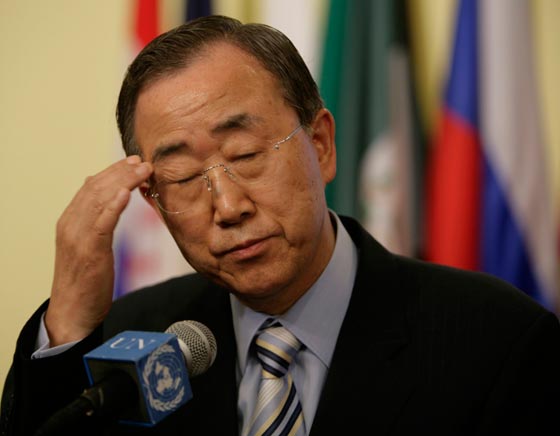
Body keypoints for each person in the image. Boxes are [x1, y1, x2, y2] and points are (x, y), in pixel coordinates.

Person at [1, 15, 559, 436]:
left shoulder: (497, 341)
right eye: (184, 176)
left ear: (321, 145)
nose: (228, 206)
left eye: (246, 155)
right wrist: (68, 321)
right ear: (152, 199)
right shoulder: (133, 338)